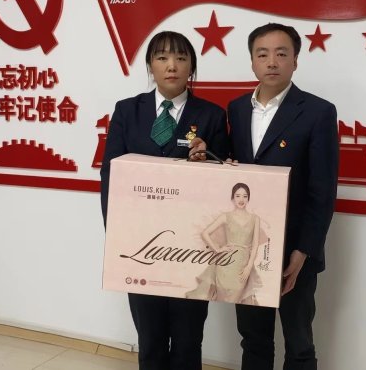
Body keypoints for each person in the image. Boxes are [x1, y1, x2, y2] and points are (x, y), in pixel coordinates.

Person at [100, 31, 229, 370]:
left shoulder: (212, 116)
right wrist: (117, 237)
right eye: (162, 58)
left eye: (181, 58)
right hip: (140, 246)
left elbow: (225, 183)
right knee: (150, 338)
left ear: (192, 68)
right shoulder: (127, 111)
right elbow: (111, 175)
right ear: (150, 66)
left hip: (192, 251)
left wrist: (209, 160)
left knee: (188, 339)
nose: (172, 66)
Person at [228, 23, 339, 370]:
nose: (272, 62)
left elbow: (322, 190)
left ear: (295, 61)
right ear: (252, 62)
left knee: (299, 342)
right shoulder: (236, 109)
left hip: (295, 251)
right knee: (253, 339)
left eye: (281, 53)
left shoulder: (318, 111)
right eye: (262, 54)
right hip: (248, 247)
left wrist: (303, 250)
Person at [186, 182, 263, 305]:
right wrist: (217, 249)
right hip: (225, 263)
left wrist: (249, 267)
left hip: (243, 266)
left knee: (237, 298)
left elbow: (255, 245)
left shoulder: (255, 219)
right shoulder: (226, 216)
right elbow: (205, 233)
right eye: (238, 196)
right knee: (221, 301)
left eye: (245, 196)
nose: (241, 199)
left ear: (248, 198)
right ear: (232, 198)